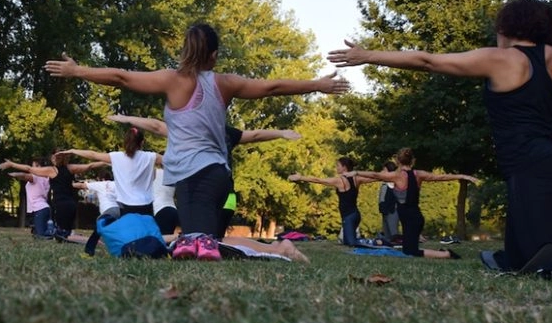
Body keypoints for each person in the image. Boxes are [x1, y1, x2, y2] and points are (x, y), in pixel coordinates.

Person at [46, 24, 346, 261]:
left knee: (202, 244)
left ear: (185, 50)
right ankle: (274, 249)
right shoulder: (225, 82)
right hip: (217, 176)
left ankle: (279, 250)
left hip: (196, 177)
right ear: (213, 55)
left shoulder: (172, 80)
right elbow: (272, 87)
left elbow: (122, 78)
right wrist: (317, 85)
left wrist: (78, 71)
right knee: (199, 242)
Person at [328, 0, 552, 270]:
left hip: (531, 170)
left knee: (546, 262)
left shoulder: (499, 59)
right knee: (517, 260)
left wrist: (368, 56)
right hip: (549, 164)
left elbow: (427, 61)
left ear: (506, 28)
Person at [107, 114, 301, 238]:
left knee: (204, 236)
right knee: (215, 236)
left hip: (204, 192)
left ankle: (209, 245)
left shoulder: (192, 131)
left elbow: (158, 127)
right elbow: (256, 135)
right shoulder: (227, 133)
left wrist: (128, 119)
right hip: (227, 192)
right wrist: (281, 132)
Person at [346, 148, 478, 259]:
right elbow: (441, 177)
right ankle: (444, 252)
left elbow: (374, 174)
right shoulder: (418, 174)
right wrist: (463, 176)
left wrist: (356, 172)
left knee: (410, 252)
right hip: (414, 217)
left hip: (411, 219)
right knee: (407, 250)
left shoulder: (395, 176)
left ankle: (447, 254)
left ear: (397, 161)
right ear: (412, 161)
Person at [58, 128, 162, 217]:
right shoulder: (151, 157)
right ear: (142, 142)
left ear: (125, 142)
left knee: (129, 235)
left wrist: (72, 150)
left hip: (126, 205)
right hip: (146, 204)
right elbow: (172, 162)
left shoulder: (116, 157)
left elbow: (93, 155)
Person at [0, 153, 107, 238]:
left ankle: (88, 241)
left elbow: (28, 169)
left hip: (60, 205)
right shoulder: (71, 168)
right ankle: (75, 236)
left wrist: (12, 165)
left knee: (61, 235)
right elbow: (90, 166)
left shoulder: (51, 171)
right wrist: (107, 161)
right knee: (65, 233)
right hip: (71, 204)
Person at [288, 157, 378, 246]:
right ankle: (364, 240)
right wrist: (386, 176)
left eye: (338, 166)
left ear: (344, 167)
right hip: (355, 215)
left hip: (349, 217)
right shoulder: (356, 179)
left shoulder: (339, 180)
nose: (336, 168)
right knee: (346, 242)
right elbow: (375, 177)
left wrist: (300, 177)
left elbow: (318, 180)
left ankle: (376, 242)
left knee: (351, 243)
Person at [8, 157, 54, 238]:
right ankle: (54, 230)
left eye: (34, 166)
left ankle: (58, 232)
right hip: (44, 208)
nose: (33, 169)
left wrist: (14, 174)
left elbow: (25, 176)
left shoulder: (36, 177)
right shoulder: (47, 178)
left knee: (41, 235)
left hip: (39, 208)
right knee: (36, 233)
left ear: (40, 167)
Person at [378, 161, 400, 241]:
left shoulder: (394, 183)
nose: (382, 172)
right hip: (384, 210)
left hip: (392, 210)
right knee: (386, 231)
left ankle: (397, 245)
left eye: (384, 170)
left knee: (393, 231)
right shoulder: (385, 183)